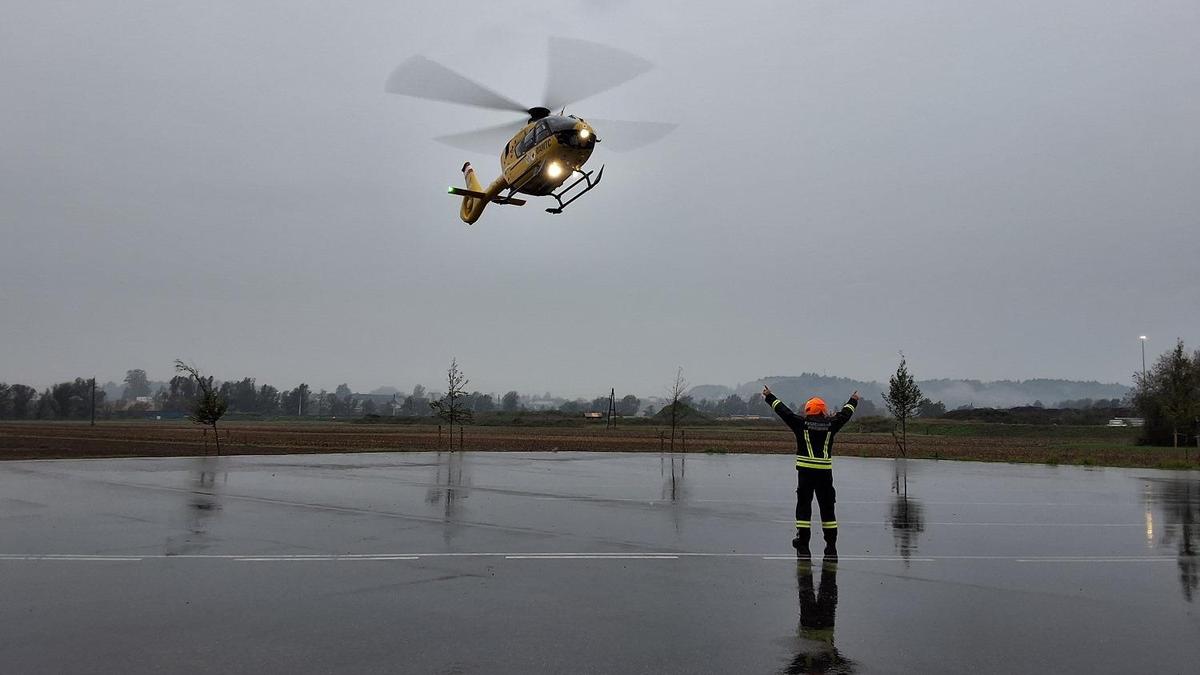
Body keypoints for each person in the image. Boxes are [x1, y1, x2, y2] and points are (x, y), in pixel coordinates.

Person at [762, 385, 860, 557]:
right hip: (824, 474)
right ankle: (831, 546)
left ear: (808, 411)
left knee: (803, 508)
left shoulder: (801, 424)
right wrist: (853, 400)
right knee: (828, 509)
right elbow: (846, 414)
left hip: (805, 474)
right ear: (824, 411)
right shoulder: (832, 425)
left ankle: (803, 544)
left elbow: (784, 412)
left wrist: (769, 396)